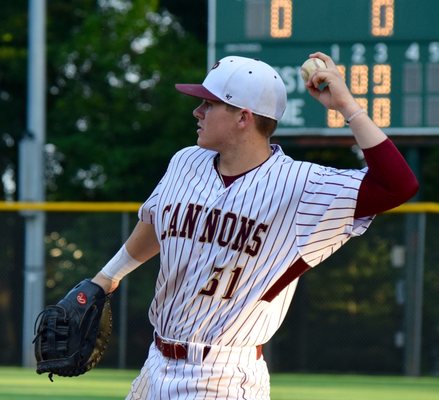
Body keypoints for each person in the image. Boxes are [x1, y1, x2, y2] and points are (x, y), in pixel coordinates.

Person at [91, 52, 418, 399]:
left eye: (209, 104)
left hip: (223, 376)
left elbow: (398, 185)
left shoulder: (303, 187)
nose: (197, 112)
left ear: (243, 117)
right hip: (155, 363)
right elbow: (158, 222)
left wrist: (347, 106)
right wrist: (106, 278)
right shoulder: (186, 161)